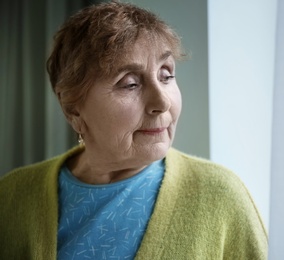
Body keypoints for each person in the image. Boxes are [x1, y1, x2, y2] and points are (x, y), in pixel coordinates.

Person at [0, 2, 268, 259]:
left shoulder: (221, 195)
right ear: (73, 109)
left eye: (166, 75)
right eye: (130, 84)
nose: (162, 102)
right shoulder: (12, 196)